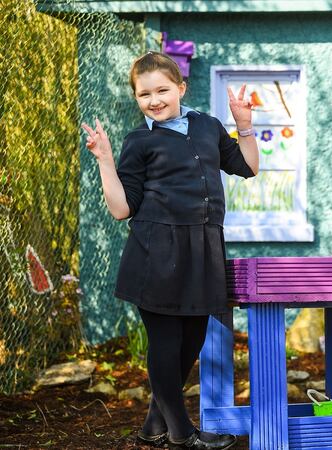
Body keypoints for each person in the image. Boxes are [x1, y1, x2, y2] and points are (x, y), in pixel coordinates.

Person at [81, 51, 258, 450]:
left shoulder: (208, 127)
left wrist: (244, 126)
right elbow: (121, 208)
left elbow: (248, 167)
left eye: (162, 90)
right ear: (137, 98)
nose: (154, 100)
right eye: (144, 94)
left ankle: (152, 427)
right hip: (156, 253)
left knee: (191, 341)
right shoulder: (140, 141)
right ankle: (181, 434)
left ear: (181, 88)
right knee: (165, 343)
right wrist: (105, 161)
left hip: (203, 250)